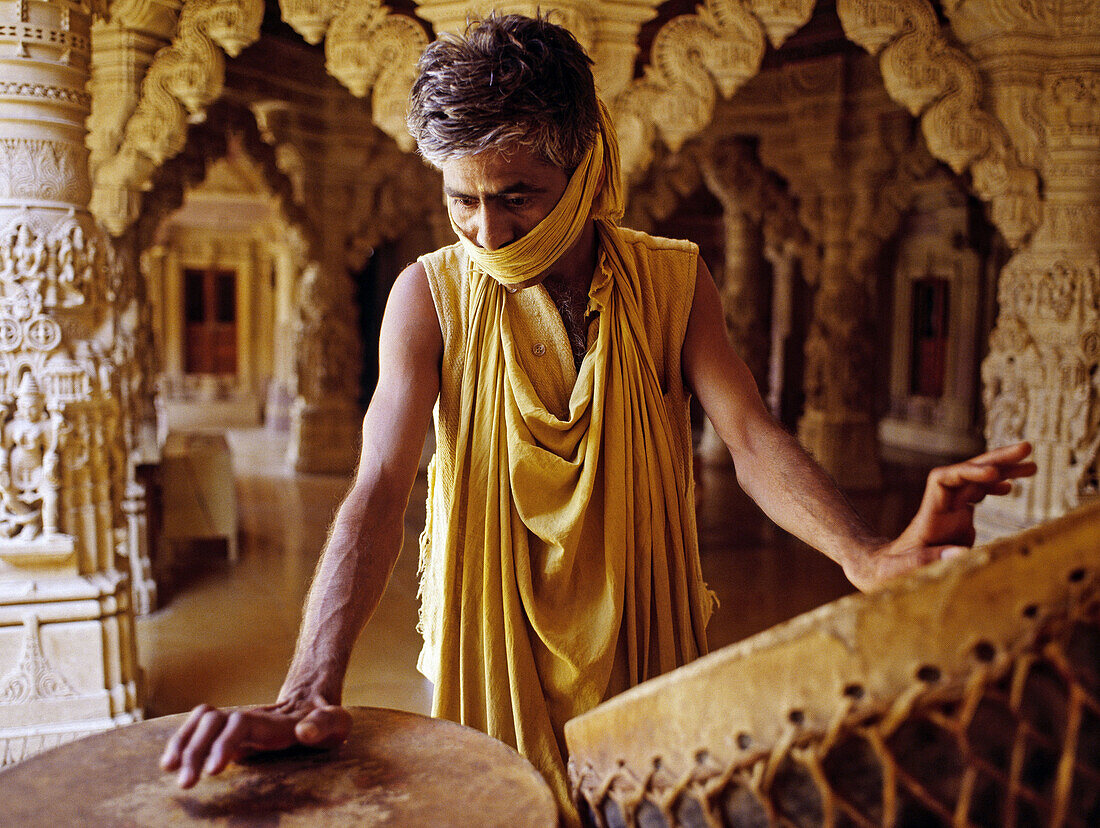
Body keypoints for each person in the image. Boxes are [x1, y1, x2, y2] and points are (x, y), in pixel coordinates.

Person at [160, 13, 1035, 822]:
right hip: (492, 640)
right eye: (462, 201)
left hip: (641, 630)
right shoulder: (428, 296)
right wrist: (309, 683)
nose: (489, 234)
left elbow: (753, 438)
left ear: (587, 164)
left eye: (518, 196)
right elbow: (381, 484)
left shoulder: (671, 282)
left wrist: (866, 555)